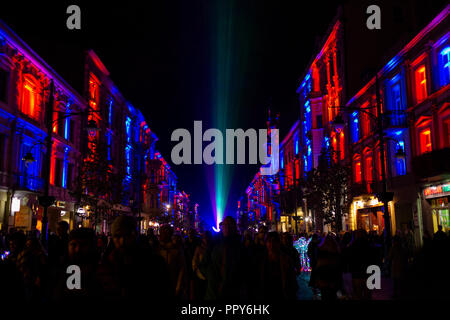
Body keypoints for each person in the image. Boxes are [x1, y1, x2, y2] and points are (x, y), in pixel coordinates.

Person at [97, 215, 172, 301]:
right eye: (117, 236)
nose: (122, 241)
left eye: (127, 235)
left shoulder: (153, 263)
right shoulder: (107, 265)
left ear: (135, 235)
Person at [205, 216, 250, 300]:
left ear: (234, 228)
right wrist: (211, 277)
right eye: (225, 225)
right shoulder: (214, 242)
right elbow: (205, 262)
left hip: (233, 291)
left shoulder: (241, 246)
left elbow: (245, 268)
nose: (227, 228)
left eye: (230, 226)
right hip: (214, 291)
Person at [258, 232, 298, 300]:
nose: (271, 244)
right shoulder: (261, 260)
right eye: (269, 241)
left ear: (278, 243)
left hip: (282, 293)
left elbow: (291, 279)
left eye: (274, 241)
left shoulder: (286, 259)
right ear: (266, 243)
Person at [157, 224, 187, 300]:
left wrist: (178, 286)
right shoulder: (157, 248)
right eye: (161, 232)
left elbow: (182, 268)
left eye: (163, 233)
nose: (161, 235)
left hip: (172, 283)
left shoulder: (176, 250)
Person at [315, 234, 342, 301]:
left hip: (323, 278)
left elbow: (318, 266)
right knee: (332, 295)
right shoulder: (336, 251)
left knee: (325, 295)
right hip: (333, 278)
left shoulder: (320, 251)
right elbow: (338, 266)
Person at [192, 231, 213, 300]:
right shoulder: (199, 248)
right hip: (200, 273)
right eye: (204, 238)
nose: (206, 239)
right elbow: (194, 260)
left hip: (210, 274)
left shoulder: (212, 248)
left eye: (207, 238)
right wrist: (195, 269)